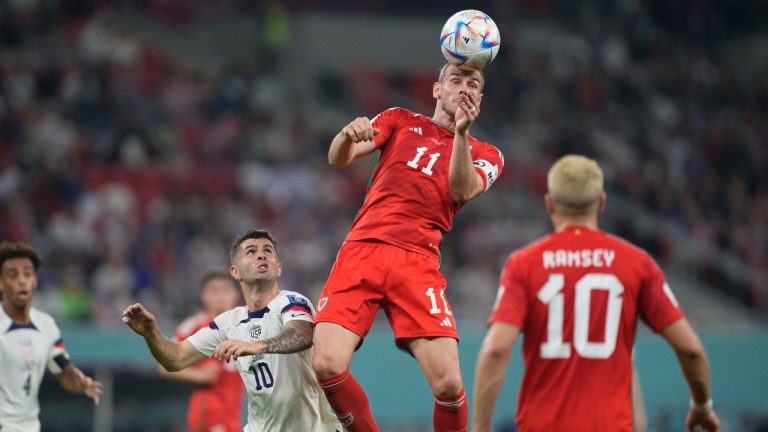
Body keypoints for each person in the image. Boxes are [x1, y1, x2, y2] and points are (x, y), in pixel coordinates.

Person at [312, 62, 504, 432]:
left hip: (417, 263)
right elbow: (338, 158)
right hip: (363, 249)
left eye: (473, 83)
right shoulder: (400, 119)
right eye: (456, 80)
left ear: (480, 98)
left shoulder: (488, 153)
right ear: (437, 89)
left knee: (449, 384)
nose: (464, 88)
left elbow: (462, 190)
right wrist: (346, 135)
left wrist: (461, 134)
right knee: (326, 365)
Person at [471, 155, 720, 432]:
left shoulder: (524, 264)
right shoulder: (637, 263)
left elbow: (495, 349)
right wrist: (702, 407)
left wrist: (481, 426)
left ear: (549, 204)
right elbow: (691, 349)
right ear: (601, 202)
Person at [123, 229, 341, 432]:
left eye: (268, 251)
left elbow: (302, 335)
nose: (261, 255)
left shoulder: (292, 302)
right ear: (235, 272)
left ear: (278, 268)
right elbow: (175, 359)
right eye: (251, 251)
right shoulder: (228, 322)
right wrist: (151, 334)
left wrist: (255, 346)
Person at [0, 241, 102, 432]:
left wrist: (81, 383)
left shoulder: (46, 326)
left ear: (35, 281)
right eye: (13, 275)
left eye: (28, 274)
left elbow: (63, 370)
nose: (22, 281)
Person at [158, 270, 245, 432]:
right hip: (207, 413)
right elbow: (164, 365)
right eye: (214, 290)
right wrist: (198, 375)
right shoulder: (193, 326)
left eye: (225, 290)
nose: (220, 296)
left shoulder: (245, 326)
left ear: (236, 294)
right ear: (203, 296)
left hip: (233, 415)